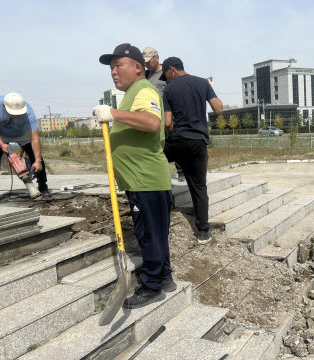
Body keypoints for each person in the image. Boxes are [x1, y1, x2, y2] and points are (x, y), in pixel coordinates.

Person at [93, 43, 175, 309]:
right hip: (144, 180)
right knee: (155, 232)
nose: (113, 72)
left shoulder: (143, 89)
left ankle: (151, 286)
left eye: (118, 66)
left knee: (149, 235)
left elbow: (152, 123)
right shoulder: (134, 93)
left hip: (145, 179)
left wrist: (112, 113)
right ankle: (164, 277)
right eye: (111, 68)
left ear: (137, 67)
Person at [160, 56, 223, 244]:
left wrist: (171, 134)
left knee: (156, 162)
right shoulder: (202, 83)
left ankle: (163, 211)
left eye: (166, 76)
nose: (166, 80)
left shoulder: (169, 89)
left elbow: (168, 122)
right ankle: (203, 232)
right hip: (198, 142)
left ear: (172, 69)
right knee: (199, 186)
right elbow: (218, 109)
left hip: (178, 141)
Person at [0, 93, 48, 205]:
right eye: (13, 113)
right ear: (4, 106)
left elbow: (35, 139)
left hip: (22, 133)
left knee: (36, 156)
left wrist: (37, 161)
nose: (16, 116)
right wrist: (2, 144)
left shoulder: (28, 112)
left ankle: (43, 185)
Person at [142, 46, 185, 182]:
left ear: (157, 58)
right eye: (145, 62)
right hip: (153, 116)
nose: (147, 64)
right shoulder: (146, 75)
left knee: (174, 142)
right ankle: (159, 172)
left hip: (168, 114)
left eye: (149, 61)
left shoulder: (165, 74)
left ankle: (182, 171)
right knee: (158, 146)